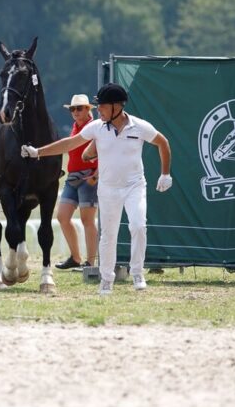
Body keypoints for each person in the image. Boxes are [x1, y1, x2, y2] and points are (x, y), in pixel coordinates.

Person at [20, 83, 172, 295]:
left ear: (116, 106)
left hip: (134, 186)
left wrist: (165, 174)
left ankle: (138, 273)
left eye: (102, 106)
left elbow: (163, 143)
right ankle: (106, 280)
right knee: (108, 235)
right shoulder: (97, 127)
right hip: (108, 188)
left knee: (138, 226)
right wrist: (38, 152)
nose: (98, 109)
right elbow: (69, 143)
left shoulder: (139, 126)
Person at [54, 94, 99, 270]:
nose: (75, 112)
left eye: (79, 108)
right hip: (72, 177)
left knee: (87, 220)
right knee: (62, 217)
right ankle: (75, 257)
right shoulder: (75, 126)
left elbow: (104, 150)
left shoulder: (95, 127)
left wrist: (96, 175)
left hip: (88, 177)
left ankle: (90, 262)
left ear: (88, 109)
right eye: (72, 109)